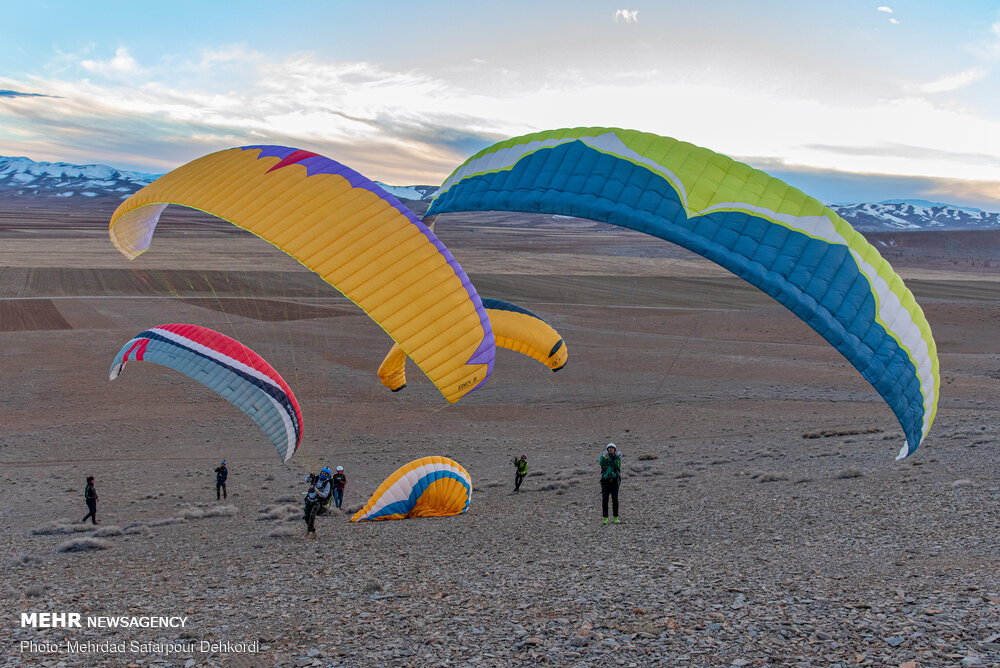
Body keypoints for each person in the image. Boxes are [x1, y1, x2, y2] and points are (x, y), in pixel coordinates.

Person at [599, 443, 622, 525]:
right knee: (605, 499)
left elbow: (618, 466)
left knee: (615, 499)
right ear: (607, 449)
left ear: (614, 449)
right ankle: (605, 518)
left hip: (614, 480)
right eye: (609, 448)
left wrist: (618, 458)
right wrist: (604, 457)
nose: (611, 449)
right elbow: (601, 463)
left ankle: (616, 518)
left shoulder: (617, 457)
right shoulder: (604, 457)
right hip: (605, 480)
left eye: (612, 448)